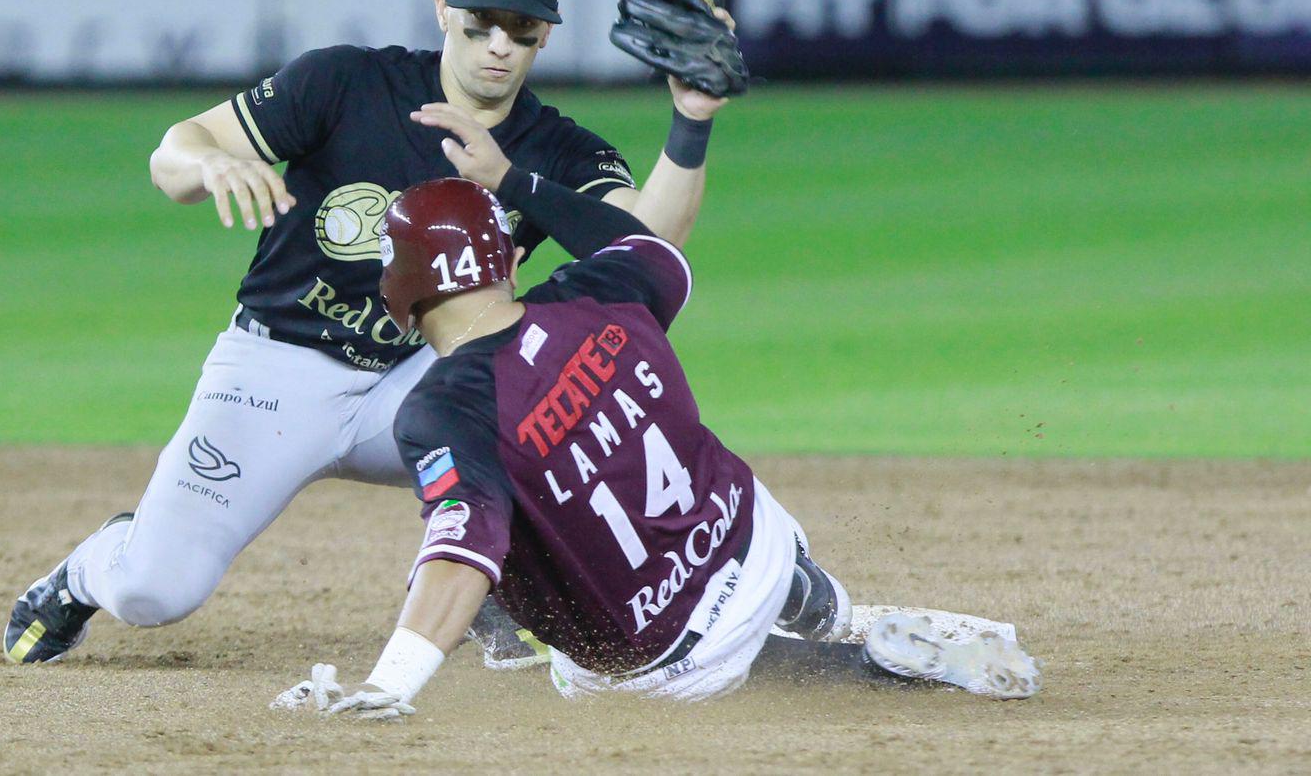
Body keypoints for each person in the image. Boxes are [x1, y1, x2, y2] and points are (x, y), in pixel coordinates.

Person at [2, 0, 735, 666]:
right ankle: (96, 565)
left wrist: (691, 121)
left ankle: (500, 591)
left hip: (420, 382)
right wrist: (208, 166)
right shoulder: (346, 83)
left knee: (553, 415)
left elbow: (647, 244)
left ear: (545, 32)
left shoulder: (554, 148)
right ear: (443, 7)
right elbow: (174, 153)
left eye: (520, 27)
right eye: (481, 20)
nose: (498, 45)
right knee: (154, 592)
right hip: (276, 374)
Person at [273, 117, 1042, 715]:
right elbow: (647, 243)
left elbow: (460, 552)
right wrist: (522, 179)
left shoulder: (441, 408)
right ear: (507, 261)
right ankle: (816, 602)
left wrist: (391, 683)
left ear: (399, 287)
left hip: (669, 657)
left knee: (499, 547)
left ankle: (844, 669)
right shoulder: (595, 290)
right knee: (608, 485)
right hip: (756, 534)